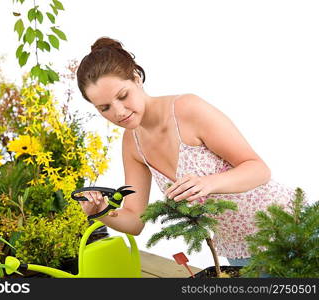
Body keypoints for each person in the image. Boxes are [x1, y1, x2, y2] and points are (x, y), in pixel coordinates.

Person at [75, 36, 295, 267]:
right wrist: (101, 211)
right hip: (240, 252)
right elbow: (135, 220)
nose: (118, 112)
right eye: (105, 108)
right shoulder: (132, 143)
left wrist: (209, 183)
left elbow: (259, 170)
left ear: (136, 78)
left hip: (288, 228)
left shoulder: (187, 110)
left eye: (123, 96)